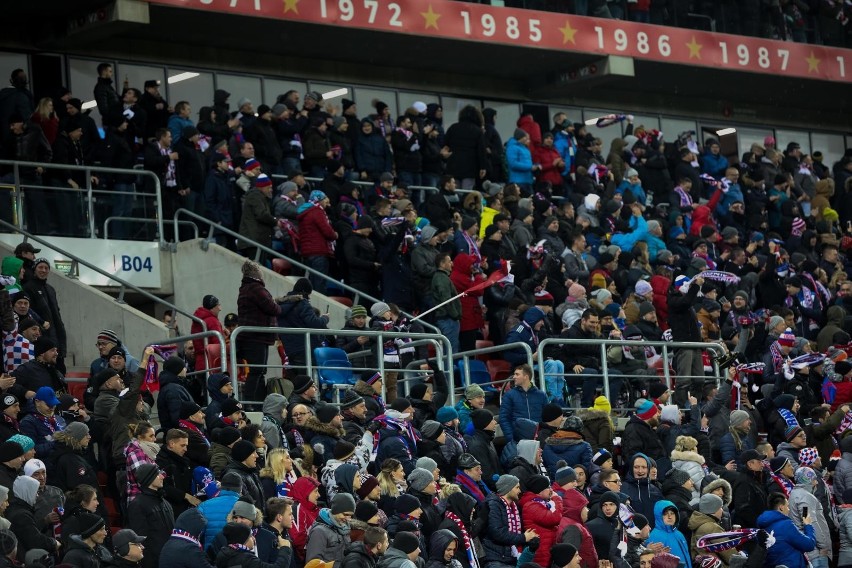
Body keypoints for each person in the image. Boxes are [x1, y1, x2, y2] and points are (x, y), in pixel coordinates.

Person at [237, 261, 281, 402]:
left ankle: (257, 402)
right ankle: (250, 402)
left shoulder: (247, 288)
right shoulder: (256, 288)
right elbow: (273, 308)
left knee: (259, 371)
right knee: (257, 371)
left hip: (255, 337)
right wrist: (277, 305)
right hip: (256, 337)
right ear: (256, 272)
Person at [481, 474, 538, 568]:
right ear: (508, 488)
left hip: (509, 557)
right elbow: (497, 532)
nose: (520, 491)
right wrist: (523, 537)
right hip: (496, 559)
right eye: (517, 487)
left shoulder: (514, 506)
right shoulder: (493, 505)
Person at [127, 463, 175, 568]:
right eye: (158, 474)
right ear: (149, 478)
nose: (162, 476)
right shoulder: (137, 505)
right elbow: (141, 539)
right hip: (154, 562)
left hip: (171, 558)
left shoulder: (166, 503)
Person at [756, 493, 816, 568]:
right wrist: (808, 525)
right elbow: (809, 545)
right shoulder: (786, 525)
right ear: (781, 507)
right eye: (787, 506)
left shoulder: (762, 527)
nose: (789, 510)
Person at [498, 364, 547, 442]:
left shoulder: (541, 395)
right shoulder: (509, 395)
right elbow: (503, 419)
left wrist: (543, 436)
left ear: (526, 377)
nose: (514, 377)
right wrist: (511, 439)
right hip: (518, 440)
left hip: (539, 439)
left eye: (517, 374)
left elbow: (547, 418)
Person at [305, 493, 355, 567]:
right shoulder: (319, 532)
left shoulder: (345, 528)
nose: (348, 519)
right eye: (345, 514)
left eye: (350, 515)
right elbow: (313, 564)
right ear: (336, 511)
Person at [214, 522, 291, 568]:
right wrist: (285, 548)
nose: (254, 538)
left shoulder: (223, 553)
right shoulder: (246, 560)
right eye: (250, 536)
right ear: (243, 539)